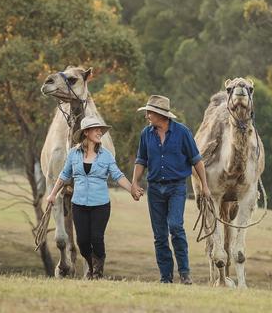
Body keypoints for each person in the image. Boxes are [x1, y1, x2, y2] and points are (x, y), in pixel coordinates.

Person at [45, 115, 142, 279]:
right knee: (82, 242)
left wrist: (132, 189)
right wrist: (53, 194)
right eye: (96, 130)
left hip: (100, 205)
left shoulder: (106, 156)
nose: (99, 132)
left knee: (96, 238)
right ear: (86, 133)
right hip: (79, 204)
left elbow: (118, 176)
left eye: (100, 130)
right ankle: (91, 266)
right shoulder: (73, 154)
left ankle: (97, 273)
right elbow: (64, 175)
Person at [131, 95, 211, 284]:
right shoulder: (146, 134)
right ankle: (166, 277)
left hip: (176, 187)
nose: (147, 116)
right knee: (159, 235)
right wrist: (135, 182)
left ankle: (184, 273)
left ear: (161, 114)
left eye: (150, 112)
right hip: (155, 189)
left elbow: (197, 161)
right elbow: (141, 160)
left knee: (175, 227)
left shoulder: (182, 132)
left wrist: (205, 186)